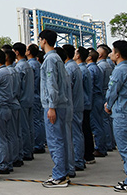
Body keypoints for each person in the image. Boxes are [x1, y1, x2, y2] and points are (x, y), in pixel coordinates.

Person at [106, 41, 127, 192]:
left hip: (122, 113)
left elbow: (112, 91)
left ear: (118, 54)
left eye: (112, 51)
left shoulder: (119, 70)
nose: (110, 54)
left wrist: (108, 105)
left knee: (126, 149)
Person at [39, 29, 71, 188]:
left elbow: (52, 85)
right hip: (60, 104)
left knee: (55, 140)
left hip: (54, 106)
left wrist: (51, 106)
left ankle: (59, 176)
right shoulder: (56, 58)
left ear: (44, 40)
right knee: (60, 139)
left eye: (40, 39)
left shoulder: (50, 60)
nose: (39, 42)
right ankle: (63, 171)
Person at [0, 49, 15, 175]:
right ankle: (8, 162)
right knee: (7, 137)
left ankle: (3, 164)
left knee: (1, 139)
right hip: (7, 107)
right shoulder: (8, 71)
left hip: (0, 107)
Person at [62, 44, 85, 176]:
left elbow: (67, 88)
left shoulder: (69, 68)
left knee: (74, 134)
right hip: (77, 104)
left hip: (73, 105)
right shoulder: (74, 67)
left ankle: (77, 160)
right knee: (77, 133)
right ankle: (79, 159)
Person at [13, 42, 35, 162]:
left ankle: (26, 151)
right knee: (29, 127)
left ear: (16, 52)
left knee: (23, 128)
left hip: (22, 100)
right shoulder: (27, 65)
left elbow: (17, 87)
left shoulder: (19, 67)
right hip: (29, 98)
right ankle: (30, 149)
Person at [75, 46, 95, 166]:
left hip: (82, 102)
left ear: (78, 56)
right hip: (85, 102)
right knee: (86, 129)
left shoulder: (81, 70)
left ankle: (87, 154)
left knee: (83, 130)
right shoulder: (84, 69)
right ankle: (88, 153)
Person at [88, 49, 108, 158]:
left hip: (94, 99)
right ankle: (102, 146)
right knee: (100, 123)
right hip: (99, 97)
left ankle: (100, 148)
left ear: (90, 58)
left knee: (95, 125)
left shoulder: (91, 69)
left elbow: (90, 87)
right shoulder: (97, 68)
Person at [27, 43, 46, 153]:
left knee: (35, 122)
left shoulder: (30, 65)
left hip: (33, 95)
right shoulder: (38, 64)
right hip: (39, 94)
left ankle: (38, 144)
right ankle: (40, 143)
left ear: (29, 52)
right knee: (39, 120)